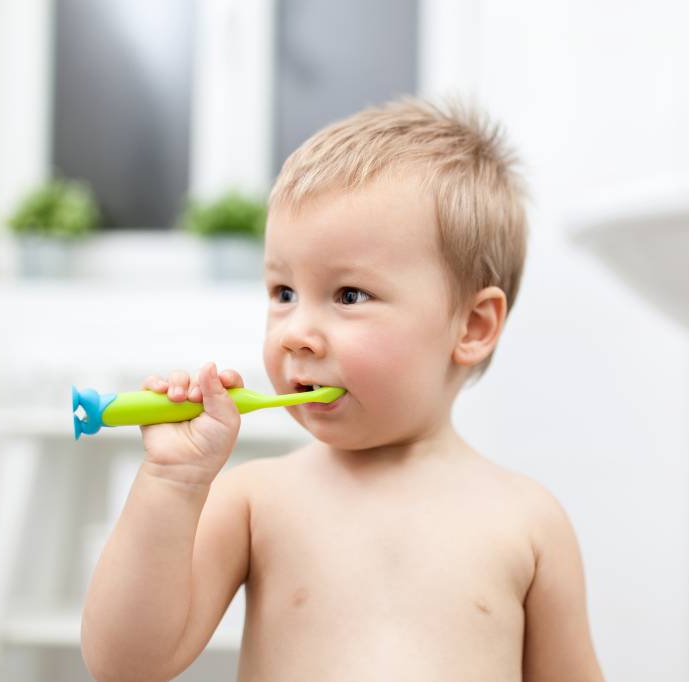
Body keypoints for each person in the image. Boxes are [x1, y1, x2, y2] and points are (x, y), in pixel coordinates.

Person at [82, 96, 604, 681]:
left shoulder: (529, 522)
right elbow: (124, 664)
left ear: (473, 326)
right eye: (283, 293)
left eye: (349, 295)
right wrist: (172, 484)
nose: (296, 333)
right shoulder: (255, 501)